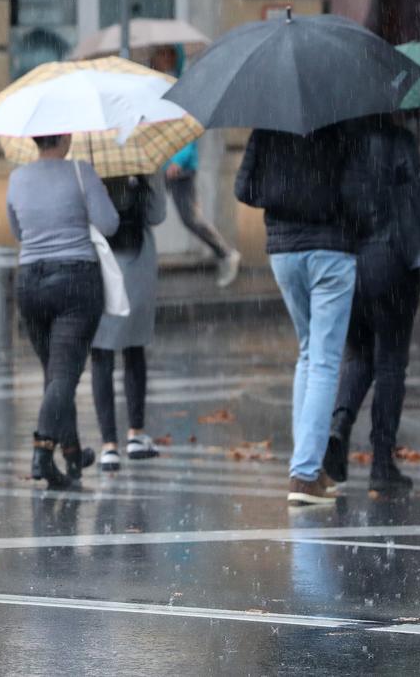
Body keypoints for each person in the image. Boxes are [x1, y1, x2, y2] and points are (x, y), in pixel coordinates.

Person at [236, 125, 365, 505]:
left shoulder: (268, 129)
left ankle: (309, 467)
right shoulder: (341, 127)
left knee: (309, 353)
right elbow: (360, 192)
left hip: (284, 251)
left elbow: (243, 188)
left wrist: (283, 193)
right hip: (331, 249)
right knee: (325, 361)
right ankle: (305, 474)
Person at [323, 115, 420, 496]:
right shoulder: (398, 140)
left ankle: (339, 426)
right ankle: (381, 462)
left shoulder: (337, 141)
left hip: (347, 264)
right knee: (391, 362)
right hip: (392, 261)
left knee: (358, 354)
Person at [7, 133, 119, 490]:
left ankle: (70, 452)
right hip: (75, 280)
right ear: (66, 136)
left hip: (30, 282)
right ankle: (42, 452)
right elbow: (109, 224)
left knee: (55, 373)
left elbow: (17, 230)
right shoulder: (80, 172)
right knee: (64, 375)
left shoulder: (17, 178)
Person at [91, 171, 167, 471]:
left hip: (101, 262)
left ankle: (109, 444)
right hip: (138, 263)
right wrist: (152, 177)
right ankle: (135, 434)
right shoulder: (141, 164)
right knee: (134, 348)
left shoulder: (89, 165)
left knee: (101, 353)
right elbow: (157, 214)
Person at [149, 46, 240, 287]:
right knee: (147, 213)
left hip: (179, 167)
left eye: (166, 54)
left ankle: (226, 253)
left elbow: (190, 129)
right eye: (159, 54)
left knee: (190, 218)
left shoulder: (182, 89)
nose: (161, 59)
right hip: (160, 163)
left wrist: (179, 159)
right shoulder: (156, 87)